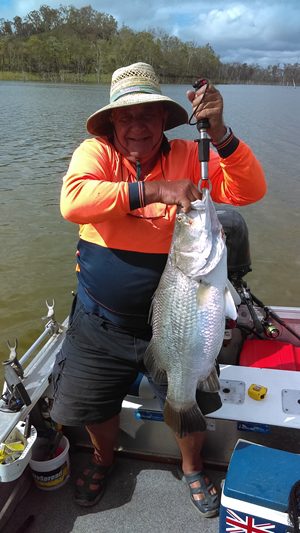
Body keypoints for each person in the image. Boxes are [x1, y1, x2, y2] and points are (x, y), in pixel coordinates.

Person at [51, 62, 266, 517]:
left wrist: (223, 135)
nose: (136, 126)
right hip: (101, 321)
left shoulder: (190, 153)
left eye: (147, 114)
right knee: (93, 405)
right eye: (126, 117)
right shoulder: (96, 153)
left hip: (175, 323)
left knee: (191, 399)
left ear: (164, 120)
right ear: (112, 122)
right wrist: (152, 190)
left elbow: (249, 190)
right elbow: (74, 201)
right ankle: (105, 458)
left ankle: (191, 466)